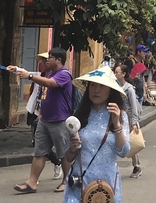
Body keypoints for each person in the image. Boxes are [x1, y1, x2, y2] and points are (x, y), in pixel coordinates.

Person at [9, 47, 74, 194]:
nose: (46, 61)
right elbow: (39, 79)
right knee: (39, 152)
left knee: (63, 153)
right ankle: (31, 183)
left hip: (60, 120)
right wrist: (17, 69)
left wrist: (29, 76)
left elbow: (50, 83)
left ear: (58, 60)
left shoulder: (64, 74)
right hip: (45, 120)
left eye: (49, 58)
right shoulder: (50, 73)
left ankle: (67, 181)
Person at [63, 67, 129, 203]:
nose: (96, 90)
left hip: (107, 183)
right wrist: (72, 148)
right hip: (80, 181)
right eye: (92, 85)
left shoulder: (120, 115)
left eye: (101, 86)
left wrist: (117, 125)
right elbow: (68, 158)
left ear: (110, 90)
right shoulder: (80, 115)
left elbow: (123, 151)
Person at [113, 63, 142, 179]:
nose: (115, 74)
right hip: (119, 117)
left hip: (129, 118)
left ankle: (137, 166)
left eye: (117, 72)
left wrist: (134, 122)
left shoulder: (129, 89)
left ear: (124, 74)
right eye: (114, 72)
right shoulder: (115, 87)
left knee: (132, 142)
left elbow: (134, 107)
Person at [25, 53, 50, 146]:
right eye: (42, 61)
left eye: (45, 61)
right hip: (35, 103)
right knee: (33, 122)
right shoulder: (39, 75)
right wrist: (15, 69)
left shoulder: (54, 78)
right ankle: (34, 139)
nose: (43, 63)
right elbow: (27, 73)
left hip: (45, 105)